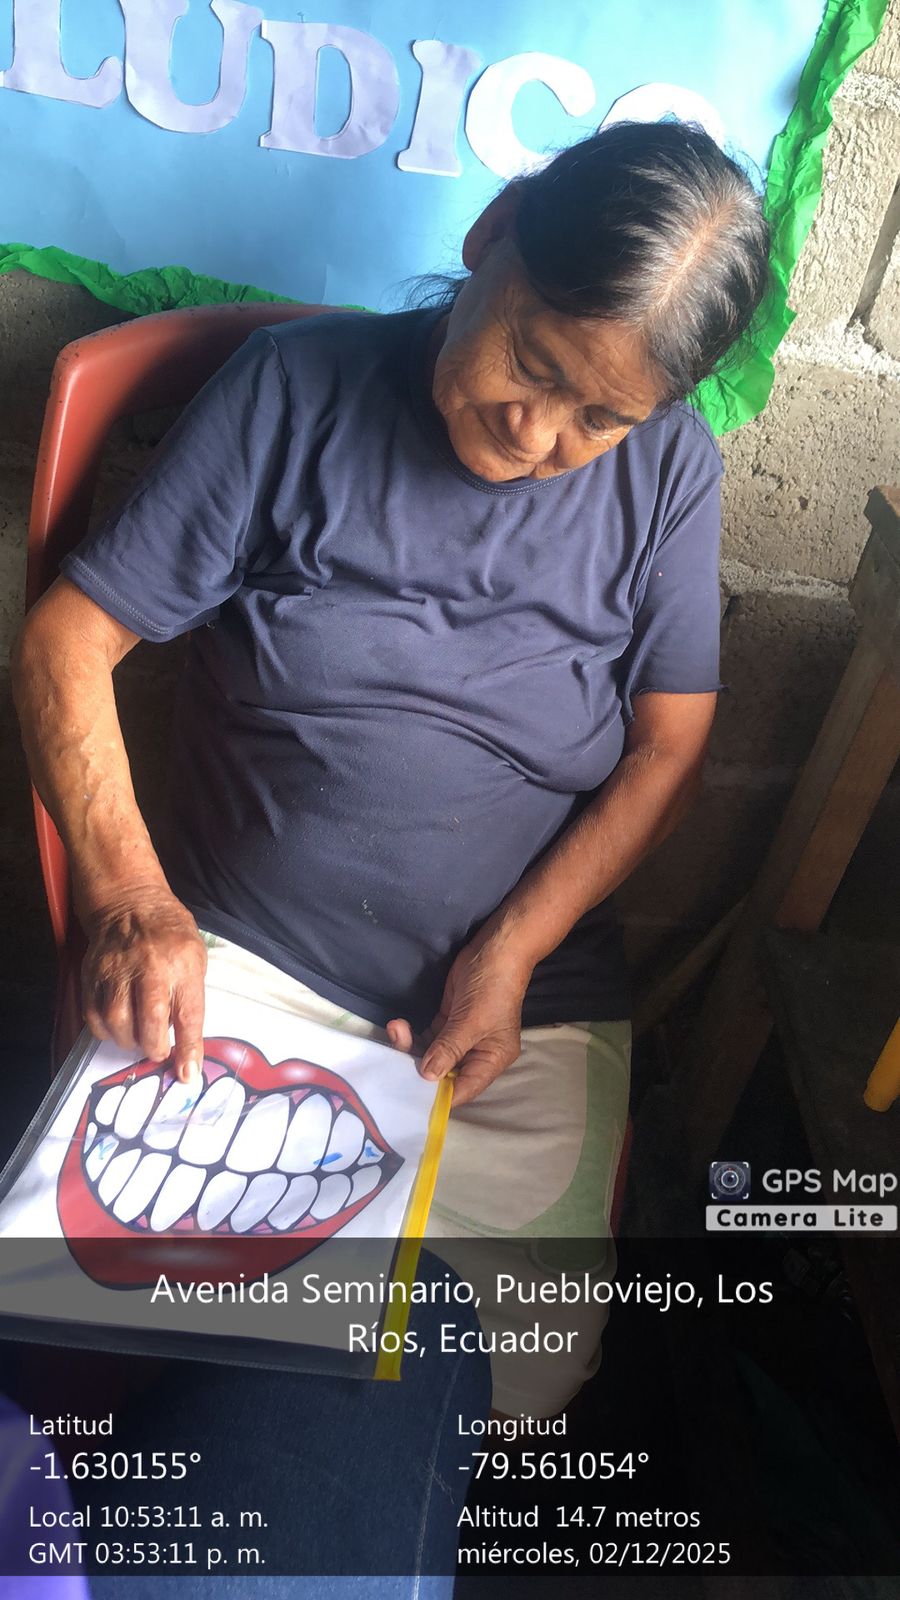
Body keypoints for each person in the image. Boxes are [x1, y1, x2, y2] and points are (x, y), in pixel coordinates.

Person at [12, 119, 770, 1418]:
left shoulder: (671, 473)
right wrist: (131, 895)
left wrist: (513, 951)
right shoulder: (293, 392)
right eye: (531, 362)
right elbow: (66, 641)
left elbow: (668, 751)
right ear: (492, 235)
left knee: (487, 1362)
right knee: (208, 1317)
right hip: (241, 971)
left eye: (600, 418)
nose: (536, 433)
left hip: (509, 1015)